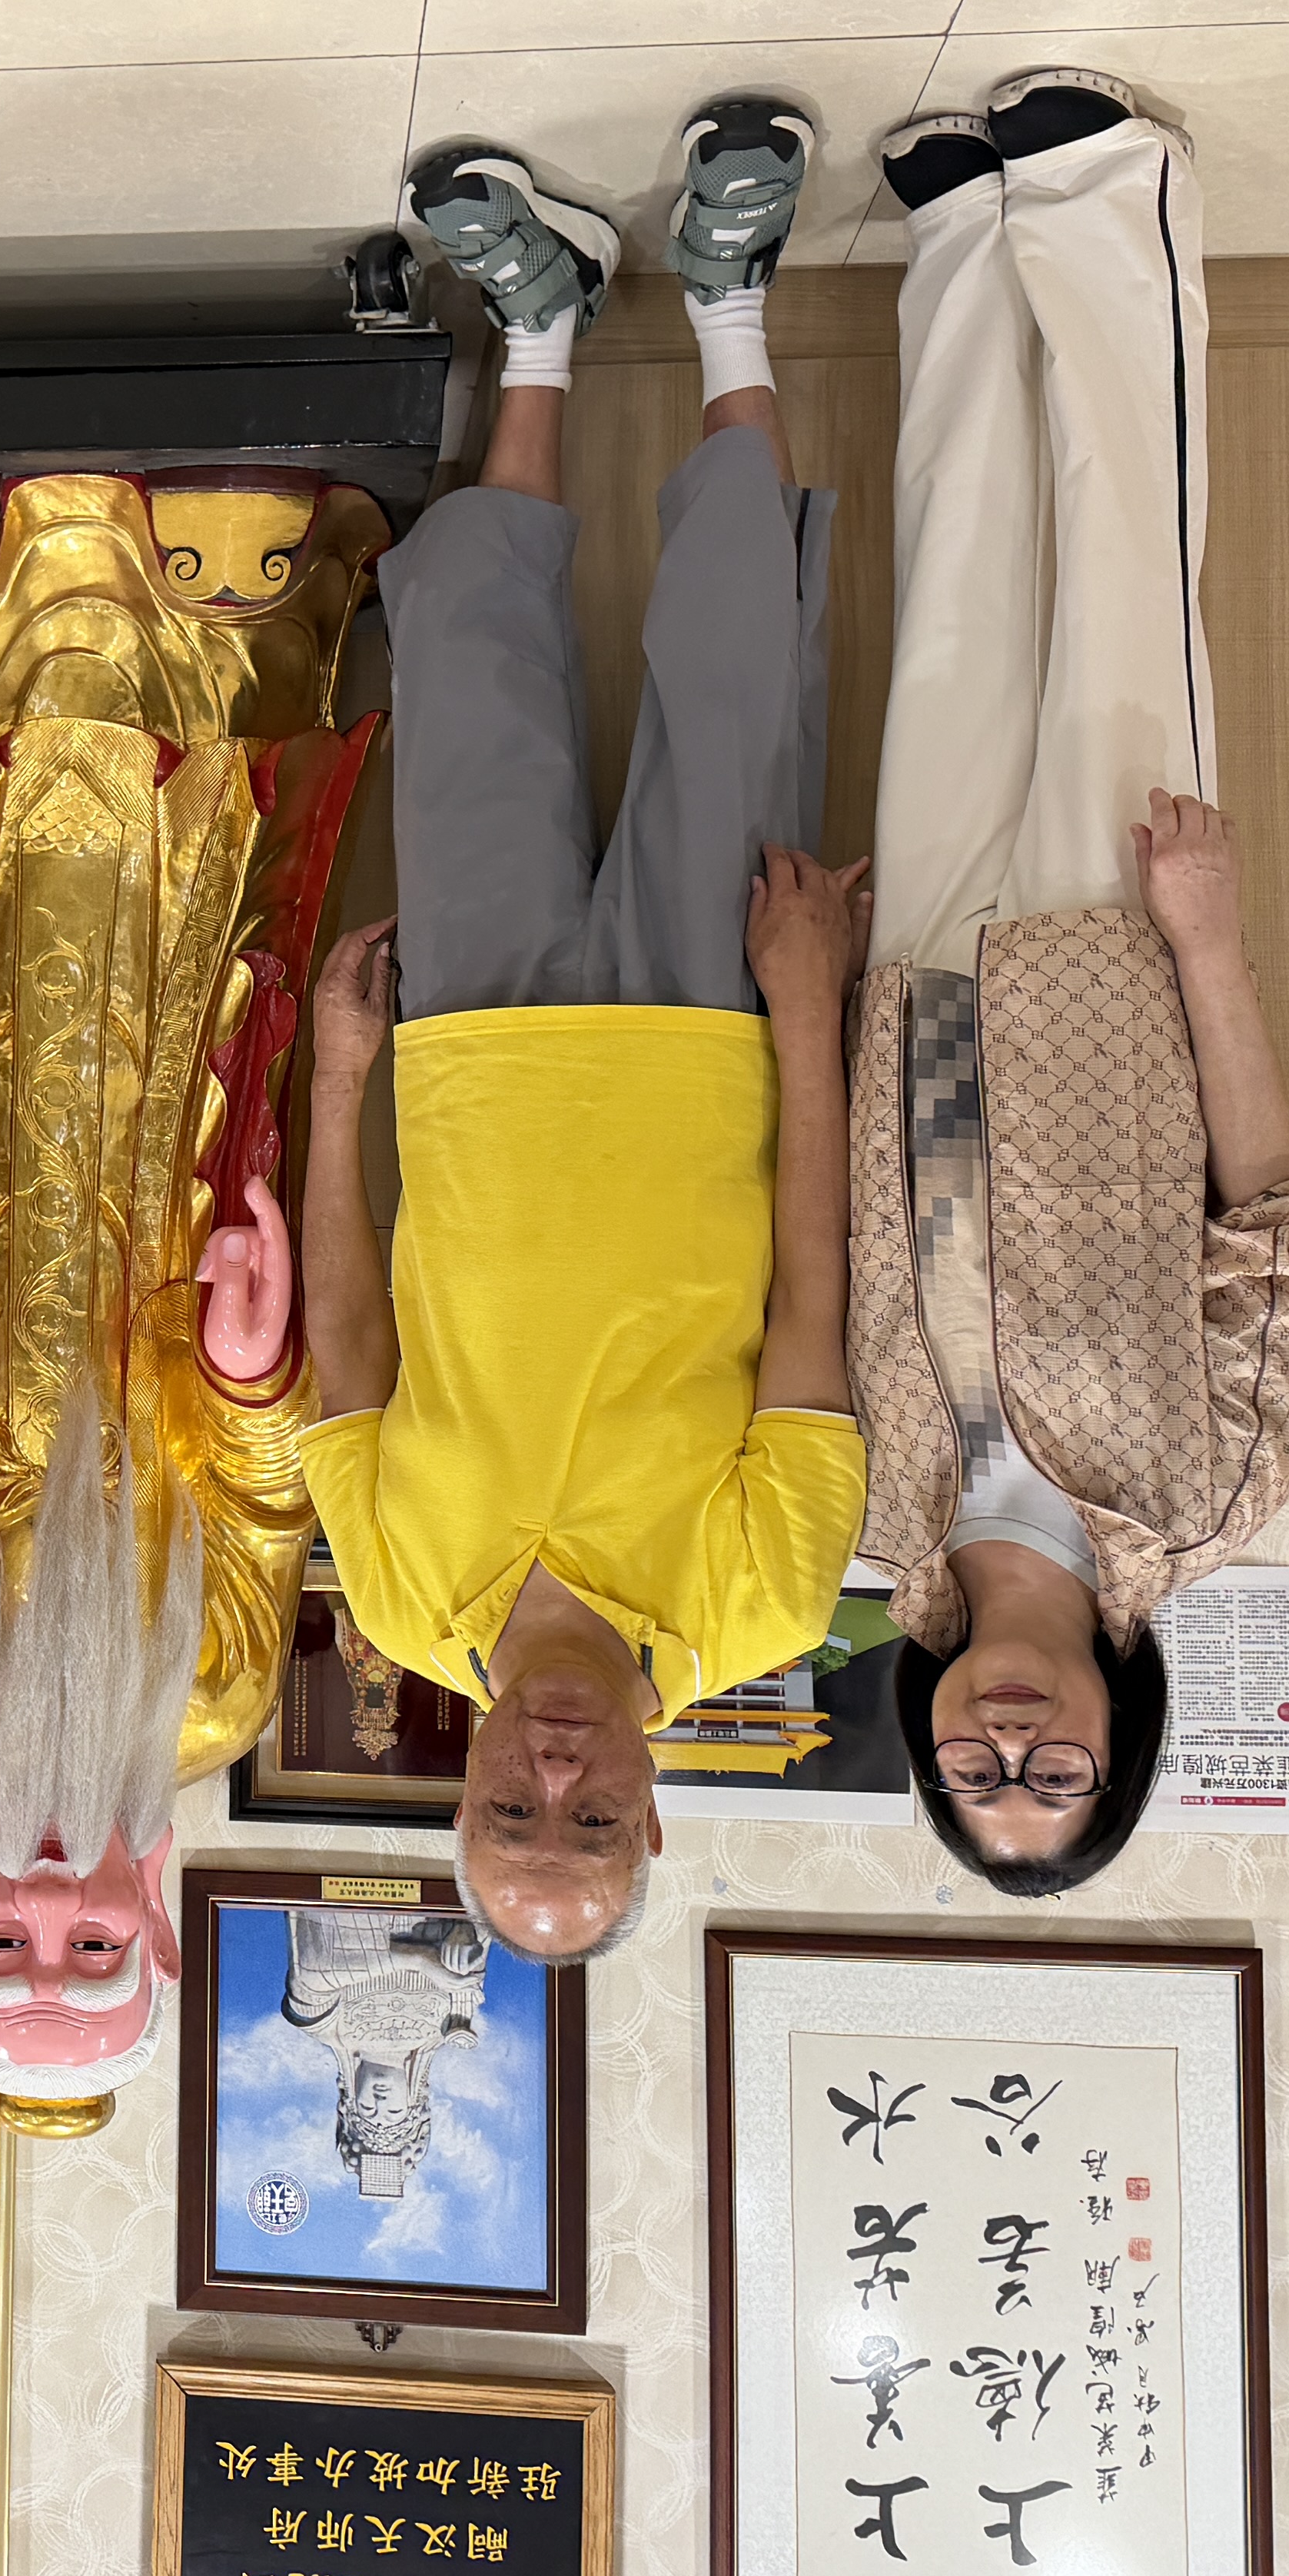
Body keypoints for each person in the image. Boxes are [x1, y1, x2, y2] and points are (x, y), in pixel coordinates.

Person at [300, 103, 874, 1968]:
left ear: (458, 1783)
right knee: (731, 670)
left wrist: (341, 1081)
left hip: (474, 1065)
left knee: (469, 667)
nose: (554, 1774)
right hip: (711, 1042)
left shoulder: (399, 1600)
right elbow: (809, 1293)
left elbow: (348, 1343)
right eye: (596, 1818)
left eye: (511, 1811)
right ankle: (726, 299)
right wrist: (809, 1008)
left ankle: (538, 325)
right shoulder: (763, 1602)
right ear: (657, 1804)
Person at [0, 469, 382, 2128]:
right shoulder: (211, 1702)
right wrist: (247, 1371)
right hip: (147, 1244)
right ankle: (222, 621)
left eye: (2, 1949)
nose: (45, 1904)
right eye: (88, 1949)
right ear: (155, 1918)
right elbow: (265, 1505)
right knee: (175, 927)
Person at [852, 74, 1289, 1891]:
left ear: (927, 1742)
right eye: (1056, 1778)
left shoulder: (871, 1521)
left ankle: (961, 246)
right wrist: (1209, 941)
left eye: (976, 1780)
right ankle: (1098, 196)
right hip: (1116, 985)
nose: (1010, 1745)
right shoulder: (1215, 1500)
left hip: (917, 1007)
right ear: (1118, 1740)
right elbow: (1276, 1218)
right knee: (1124, 592)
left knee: (955, 604)